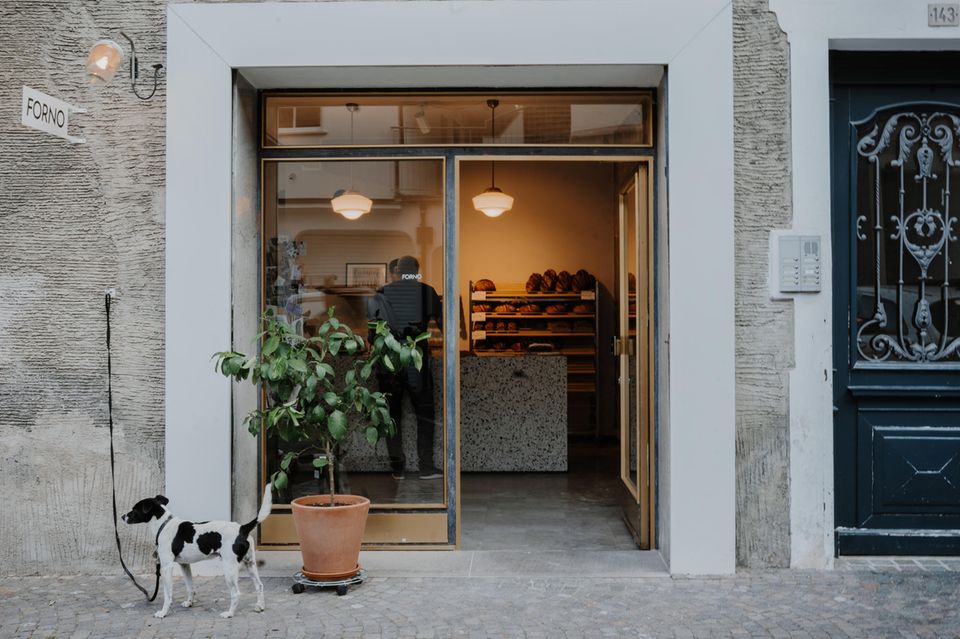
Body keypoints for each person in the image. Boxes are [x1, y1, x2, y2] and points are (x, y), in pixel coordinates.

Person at [367, 256, 442, 480]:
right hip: (416, 361)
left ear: (398, 271)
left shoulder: (381, 293)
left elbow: (373, 333)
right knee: (425, 415)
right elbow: (445, 325)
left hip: (390, 363)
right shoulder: (427, 291)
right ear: (417, 270)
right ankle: (426, 467)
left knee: (393, 415)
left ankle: (397, 468)